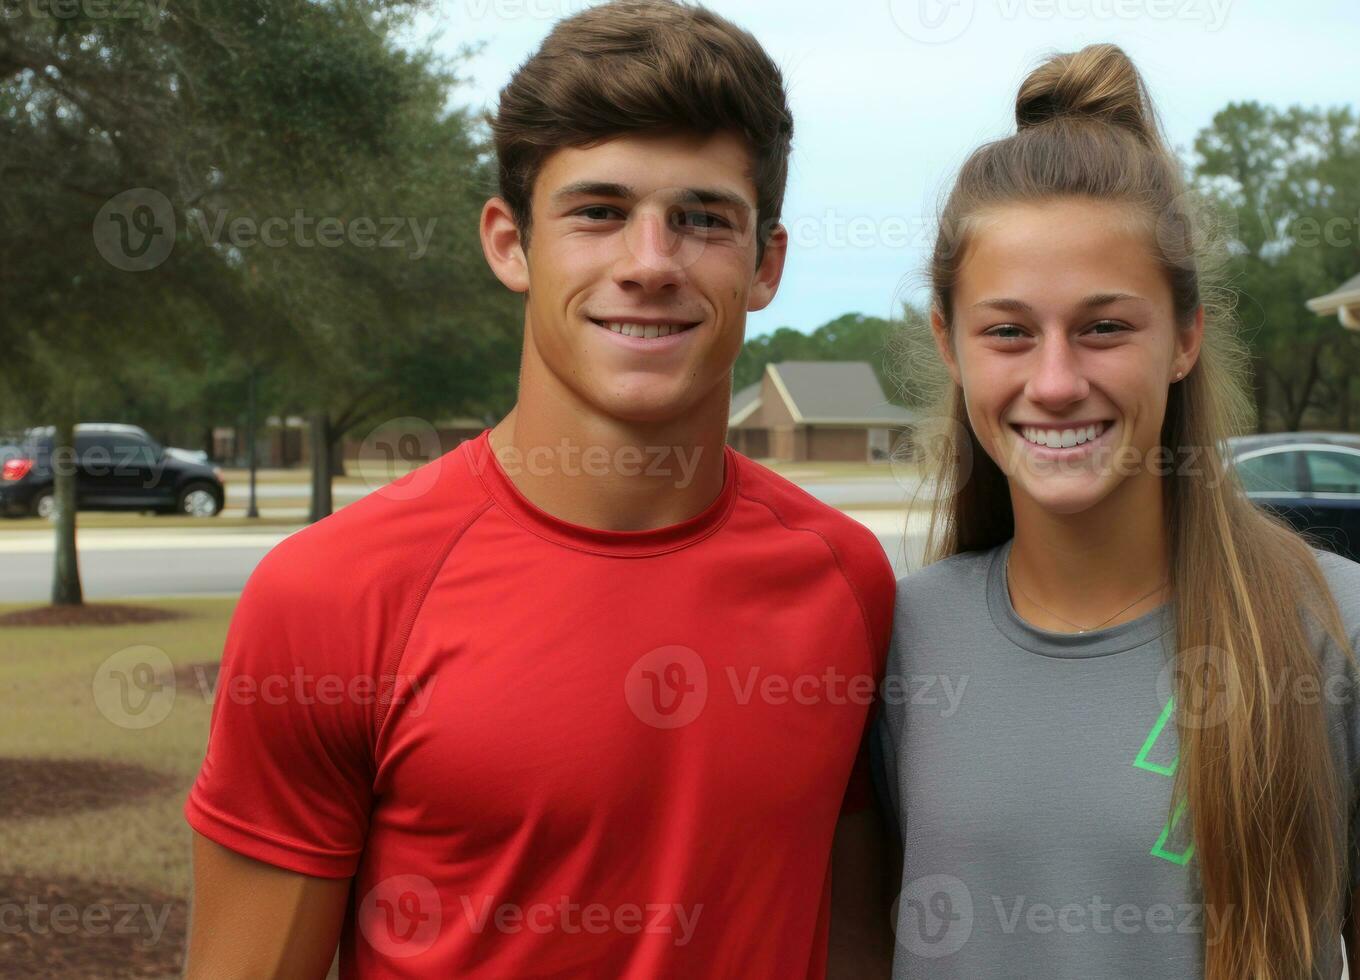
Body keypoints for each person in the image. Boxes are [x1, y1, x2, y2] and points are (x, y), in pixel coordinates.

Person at [183, 3, 893, 976]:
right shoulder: (330, 597)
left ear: (766, 261)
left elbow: (852, 936)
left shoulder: (847, 583)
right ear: (511, 244)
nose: (650, 263)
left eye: (702, 219)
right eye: (599, 212)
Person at [874, 44, 1360, 979]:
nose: (1054, 381)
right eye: (1008, 331)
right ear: (949, 342)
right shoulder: (894, 639)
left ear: (1184, 337)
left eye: (1104, 327)